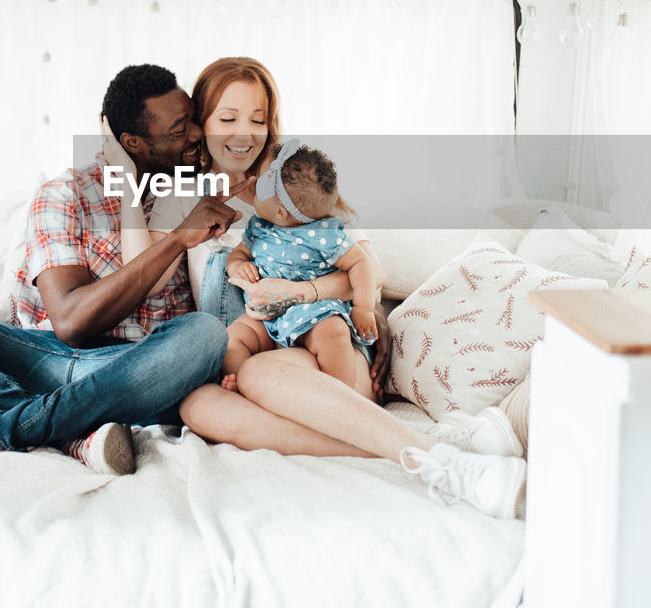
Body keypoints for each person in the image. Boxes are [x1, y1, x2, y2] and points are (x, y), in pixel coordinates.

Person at [133, 57, 528, 517]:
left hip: (318, 341)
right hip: (246, 352)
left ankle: (446, 464)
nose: (243, 133)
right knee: (197, 407)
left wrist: (305, 294)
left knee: (262, 373)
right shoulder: (178, 197)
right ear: (200, 124)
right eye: (227, 118)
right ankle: (435, 448)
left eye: (257, 120)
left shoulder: (295, 182)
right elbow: (149, 280)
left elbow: (367, 271)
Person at [0, 64, 250, 477]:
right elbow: (71, 322)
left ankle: (20, 425)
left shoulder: (197, 191)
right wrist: (177, 239)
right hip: (46, 360)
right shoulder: (66, 195)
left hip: (139, 371)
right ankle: (65, 431)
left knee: (205, 337)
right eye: (178, 130)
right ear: (131, 143)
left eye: (193, 120)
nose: (195, 135)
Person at [220, 140, 378, 395]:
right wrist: (237, 265)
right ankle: (240, 383)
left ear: (281, 212)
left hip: (315, 313)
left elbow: (361, 263)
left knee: (333, 332)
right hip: (267, 317)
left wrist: (364, 308)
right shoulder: (259, 228)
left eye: (260, 186)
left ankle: (340, 397)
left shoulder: (323, 235)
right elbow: (239, 253)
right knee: (233, 338)